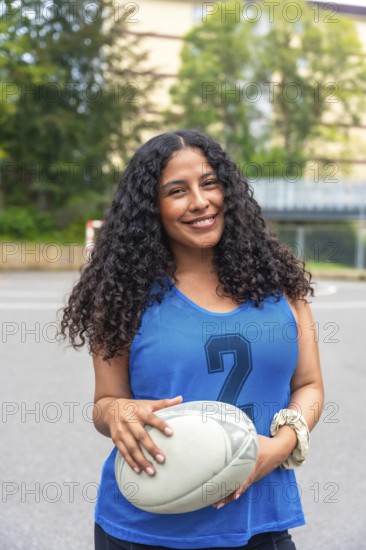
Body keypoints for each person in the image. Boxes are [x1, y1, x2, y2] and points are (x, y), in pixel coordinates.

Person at [59, 129, 324, 550]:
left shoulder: (280, 283)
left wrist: (280, 447)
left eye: (209, 183)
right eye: (177, 191)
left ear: (228, 190)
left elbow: (308, 385)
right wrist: (119, 413)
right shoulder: (123, 296)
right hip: (145, 530)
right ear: (152, 208)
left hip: (261, 524)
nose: (200, 201)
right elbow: (105, 404)